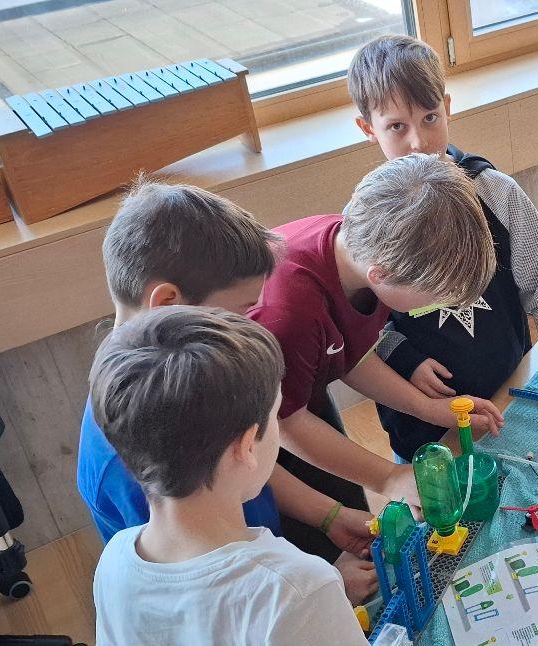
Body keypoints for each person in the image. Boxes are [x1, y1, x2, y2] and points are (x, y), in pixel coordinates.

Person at [75, 180, 376, 602]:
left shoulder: (193, 383)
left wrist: (328, 516)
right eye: (241, 310)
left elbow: (243, 462)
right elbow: (207, 601)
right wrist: (321, 590)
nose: (252, 324)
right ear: (169, 303)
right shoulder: (129, 466)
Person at [347, 35, 538, 460]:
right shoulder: (367, 217)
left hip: (508, 393)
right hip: (423, 428)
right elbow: (354, 328)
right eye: (396, 127)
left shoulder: (497, 193)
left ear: (447, 107)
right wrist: (404, 358)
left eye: (430, 118)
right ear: (368, 129)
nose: (418, 142)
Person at [248, 153, 506, 548]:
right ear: (381, 276)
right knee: (313, 544)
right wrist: (388, 477)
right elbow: (285, 424)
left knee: (346, 503)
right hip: (248, 433)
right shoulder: (288, 312)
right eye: (437, 296)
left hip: (293, 398)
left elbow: (350, 353)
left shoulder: (363, 254)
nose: (442, 305)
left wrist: (428, 408)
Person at [90, 306, 366, 646]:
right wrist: (322, 603)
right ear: (247, 445)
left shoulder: (114, 561)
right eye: (275, 416)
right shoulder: (296, 587)